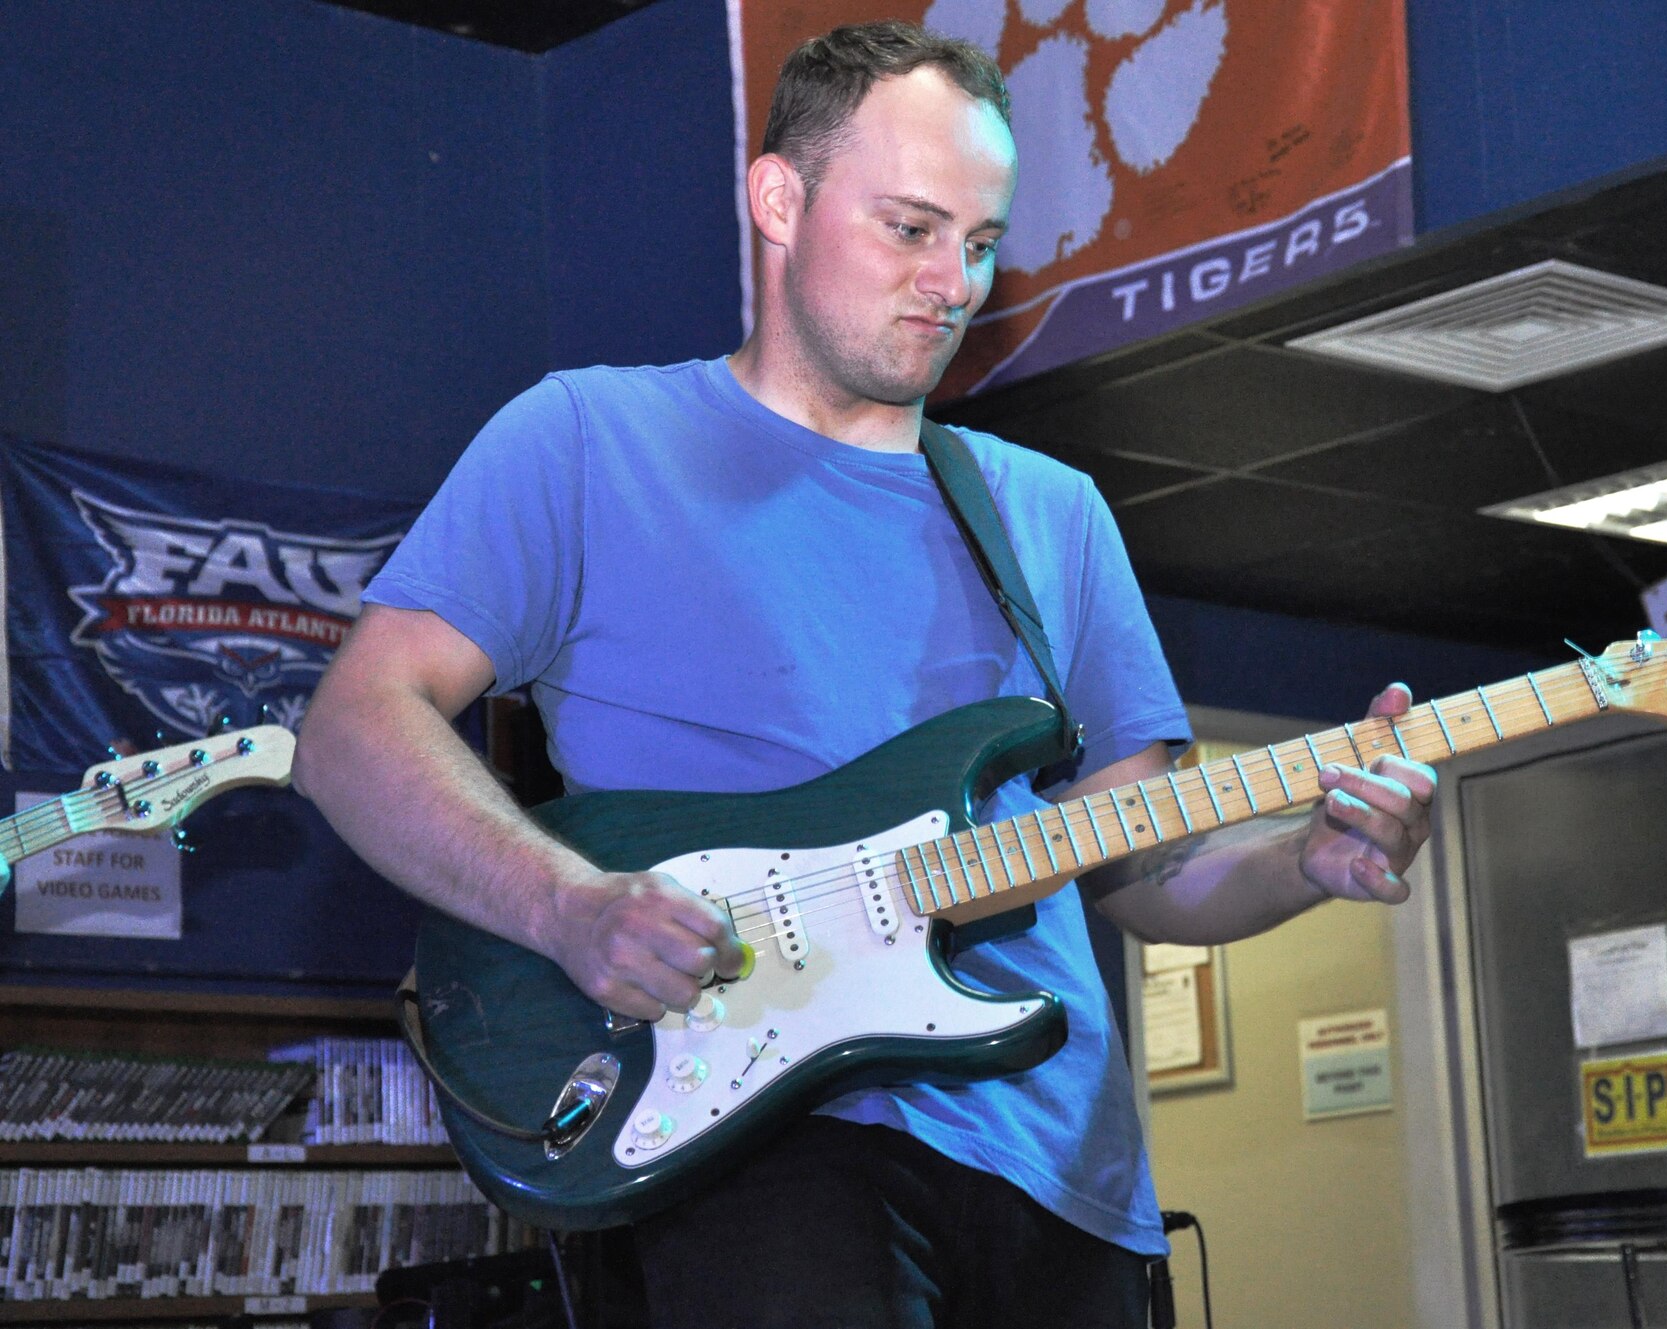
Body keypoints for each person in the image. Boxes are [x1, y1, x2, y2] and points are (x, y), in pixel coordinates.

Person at [294, 20, 1435, 1328]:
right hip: (750, 1141)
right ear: (781, 198)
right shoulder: (589, 441)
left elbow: (1142, 868)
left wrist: (1306, 860)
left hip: (1061, 1170)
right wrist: (566, 907)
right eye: (910, 229)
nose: (953, 280)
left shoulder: (1047, 514)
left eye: (983, 242)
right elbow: (354, 730)